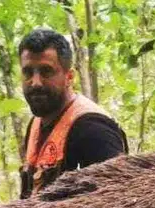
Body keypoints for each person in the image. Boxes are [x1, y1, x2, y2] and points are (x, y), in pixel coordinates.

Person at [17, 28, 127, 199]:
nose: (35, 82)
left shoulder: (93, 130)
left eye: (46, 71)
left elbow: (119, 205)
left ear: (69, 76)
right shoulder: (35, 124)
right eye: (28, 72)